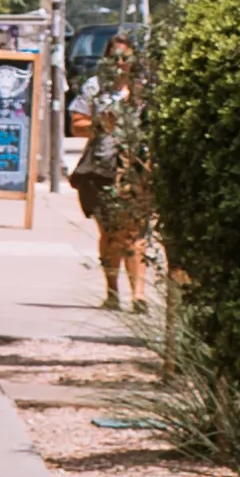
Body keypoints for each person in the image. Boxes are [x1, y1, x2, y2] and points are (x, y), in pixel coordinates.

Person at [73, 30, 153, 313]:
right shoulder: (95, 88)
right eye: (114, 57)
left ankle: (139, 295)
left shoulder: (145, 90)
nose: (119, 63)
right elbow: (76, 124)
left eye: (124, 57)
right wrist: (98, 125)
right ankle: (112, 292)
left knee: (135, 233)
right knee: (110, 233)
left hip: (137, 171)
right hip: (101, 170)